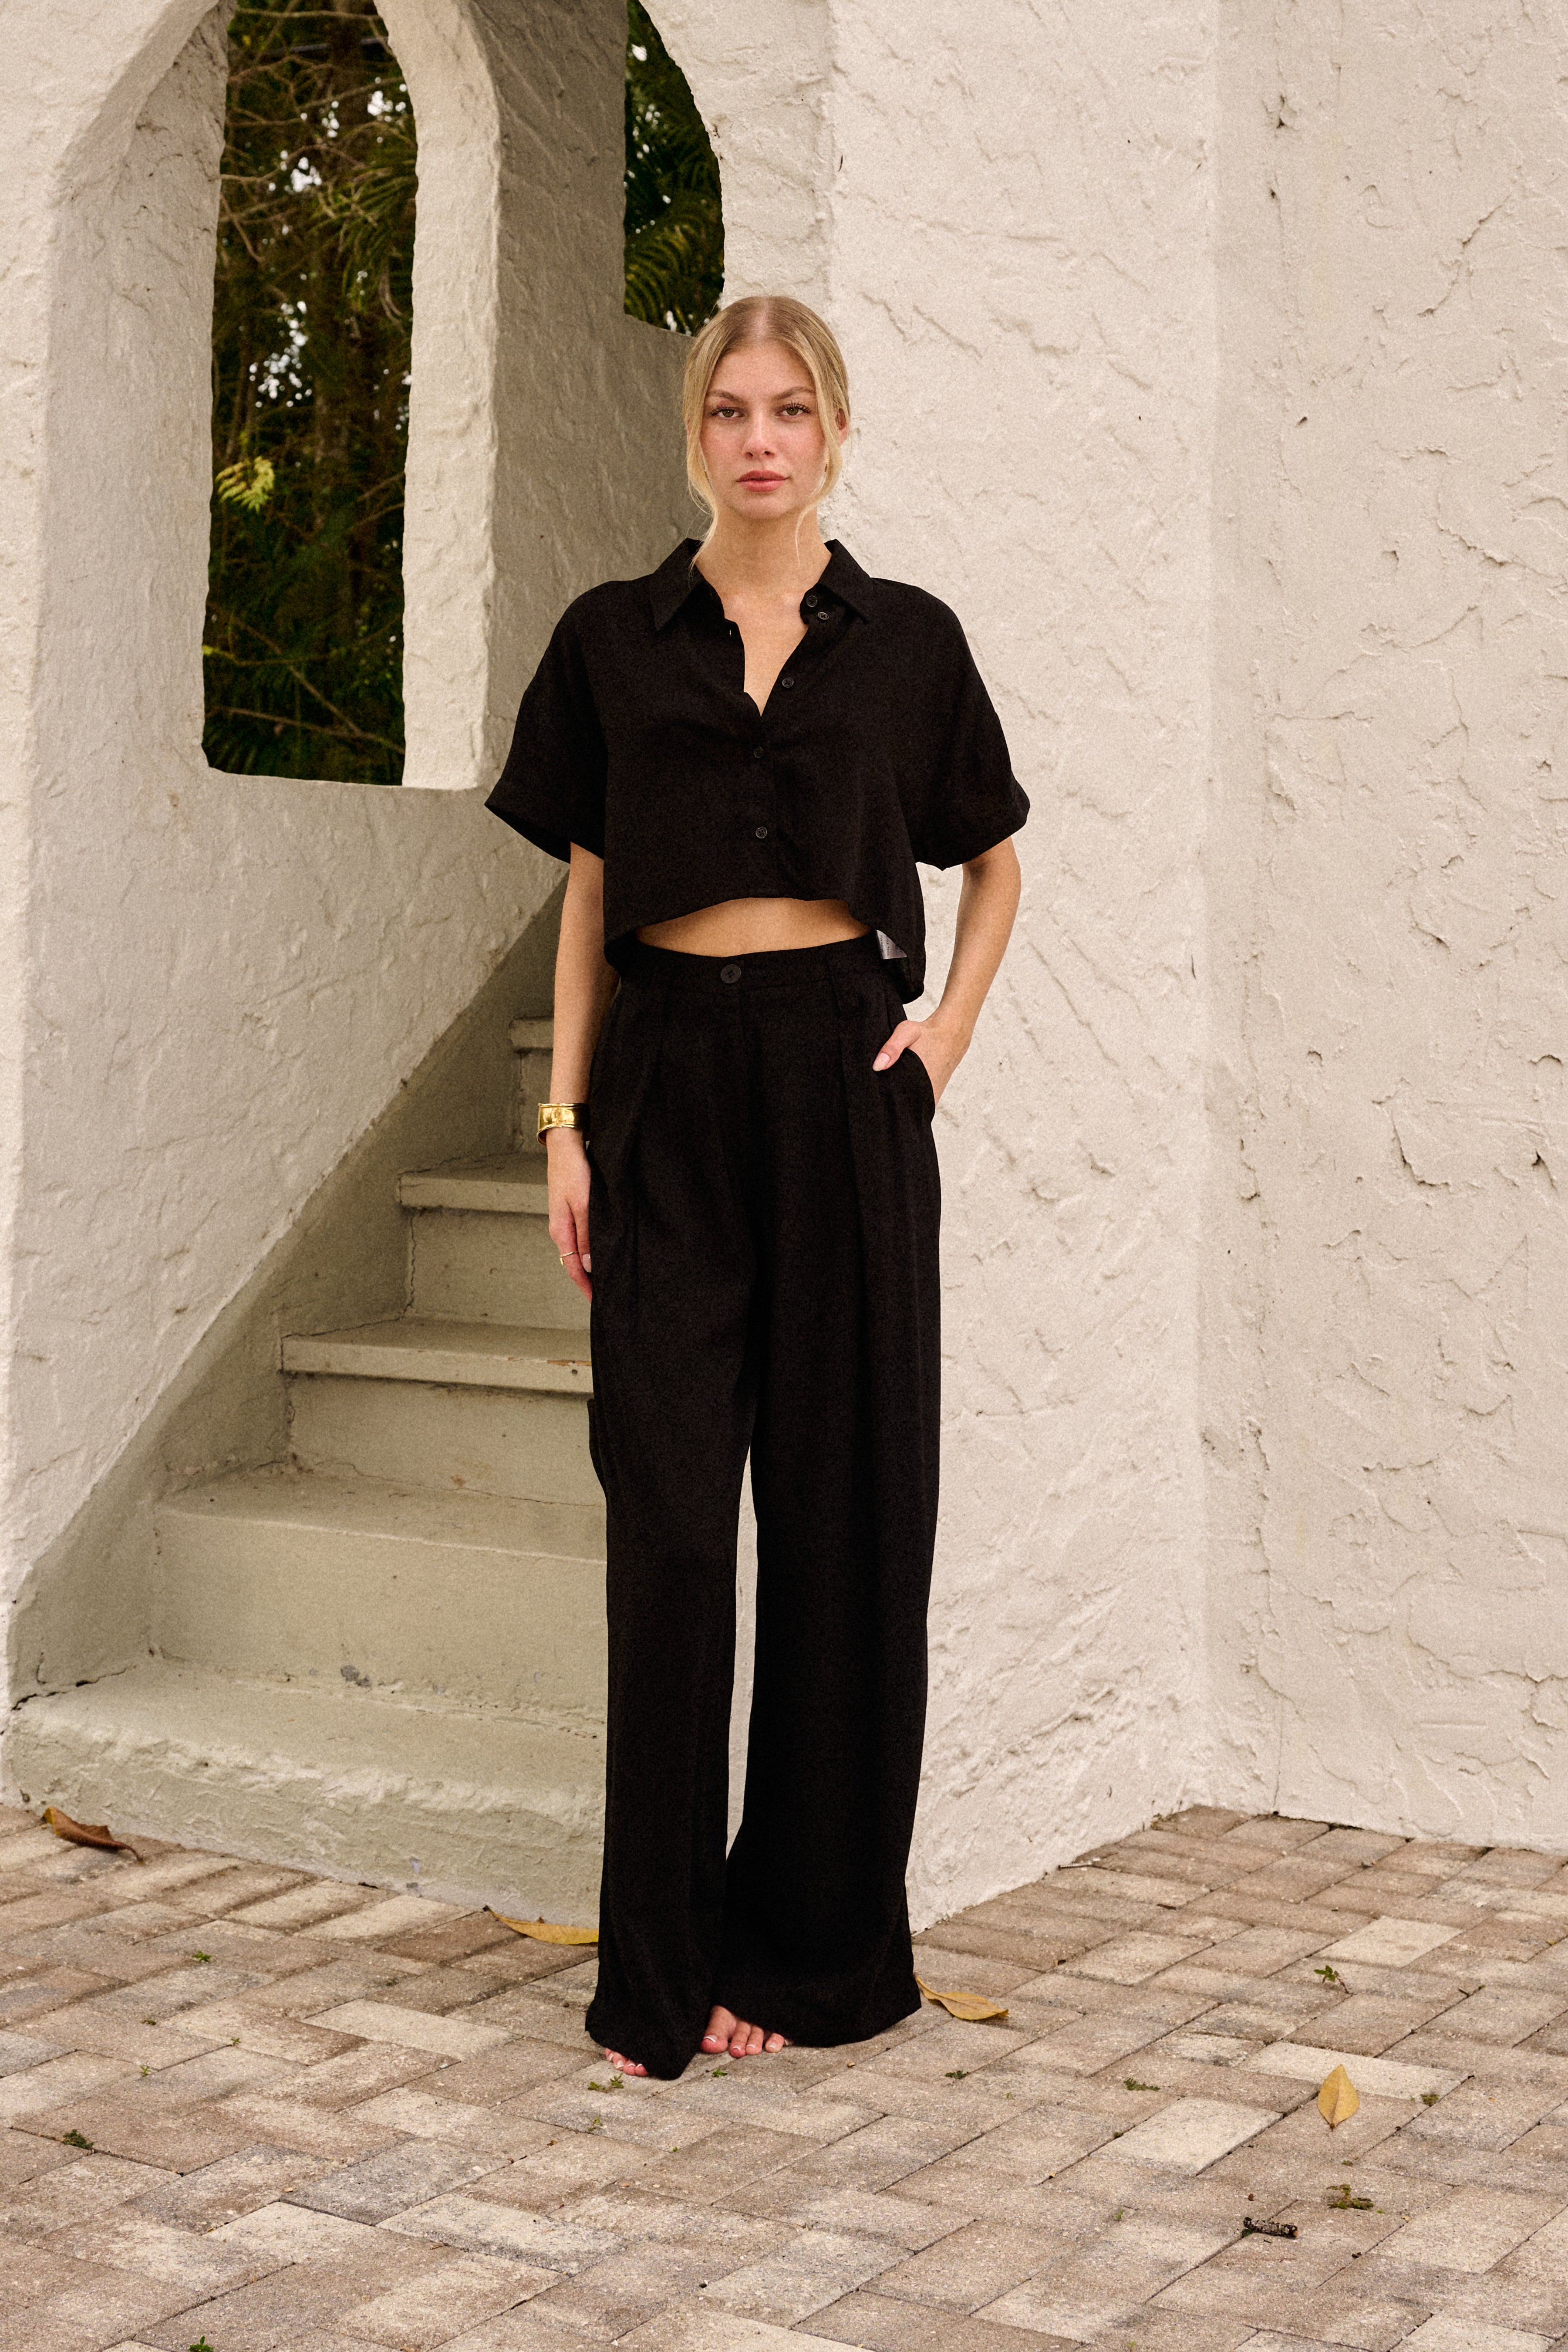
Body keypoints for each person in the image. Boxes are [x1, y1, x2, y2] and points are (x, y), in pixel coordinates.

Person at [483, 294, 1026, 2081]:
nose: (761, 439)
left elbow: (992, 859)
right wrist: (564, 1123)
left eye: (791, 410)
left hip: (841, 1077)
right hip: (663, 1083)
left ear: (837, 433)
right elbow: (587, 893)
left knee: (845, 1517)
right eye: (730, 411)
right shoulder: (612, 639)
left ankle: (805, 1958)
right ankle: (660, 1973)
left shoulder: (908, 642)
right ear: (695, 436)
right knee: (665, 1533)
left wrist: (941, 1037)